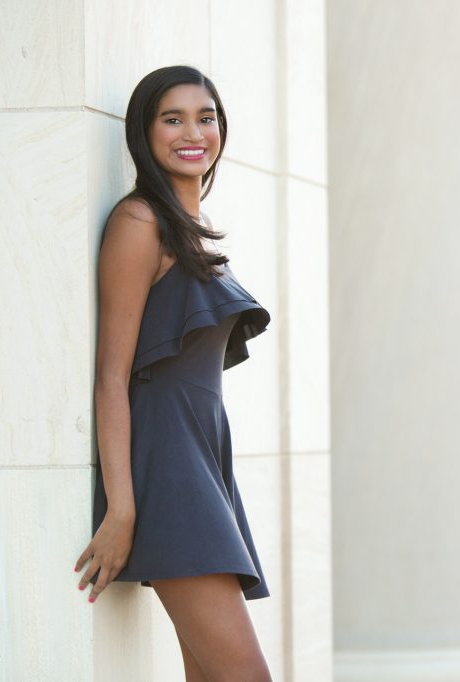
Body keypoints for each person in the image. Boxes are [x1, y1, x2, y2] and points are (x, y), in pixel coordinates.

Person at [73, 65, 274, 682]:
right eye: (173, 118)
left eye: (205, 117)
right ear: (145, 131)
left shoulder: (189, 229)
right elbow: (113, 376)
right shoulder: (140, 223)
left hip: (202, 461)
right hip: (168, 471)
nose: (194, 131)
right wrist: (122, 511)